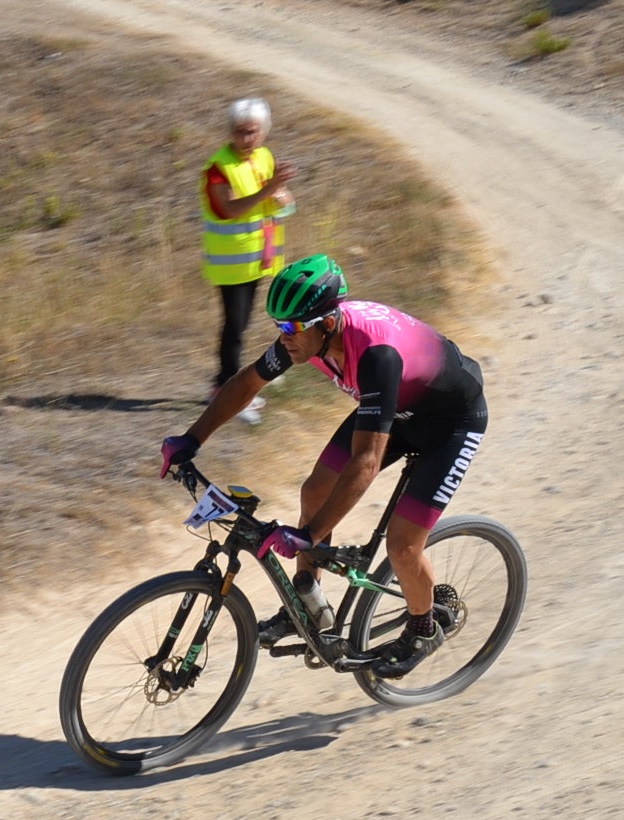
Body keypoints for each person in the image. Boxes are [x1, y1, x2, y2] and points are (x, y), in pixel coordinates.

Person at [159, 255, 488, 680]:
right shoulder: (304, 335)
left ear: (328, 323)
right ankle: (308, 608)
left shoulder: (376, 356)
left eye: (293, 328)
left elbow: (366, 462)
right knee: (314, 491)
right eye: (279, 326)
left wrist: (310, 535)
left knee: (403, 546)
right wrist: (193, 438)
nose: (284, 337)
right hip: (399, 409)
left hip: (450, 423)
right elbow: (246, 383)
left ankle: (424, 629)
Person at [199, 97, 296, 426]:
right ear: (231, 132)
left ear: (264, 132)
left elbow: (284, 203)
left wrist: (282, 195)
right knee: (235, 327)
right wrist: (271, 189)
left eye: (253, 132)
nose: (247, 138)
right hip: (230, 263)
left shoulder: (265, 157)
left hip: (259, 257)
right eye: (241, 132)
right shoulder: (218, 167)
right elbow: (230, 210)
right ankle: (226, 389)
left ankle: (248, 379)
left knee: (247, 323)